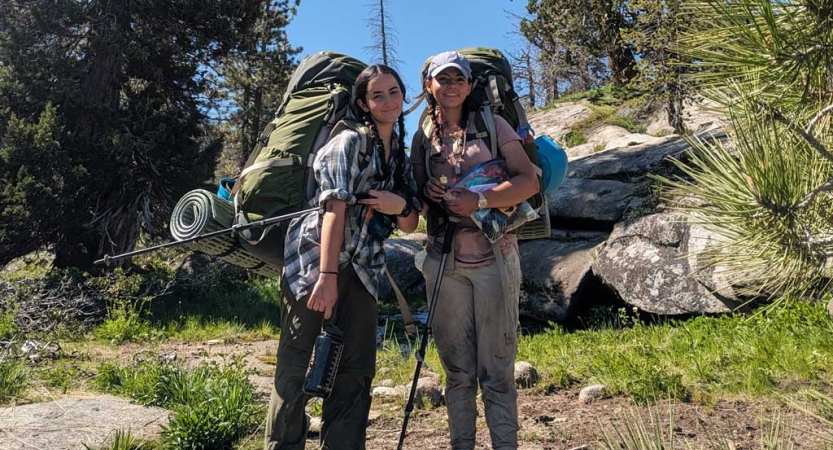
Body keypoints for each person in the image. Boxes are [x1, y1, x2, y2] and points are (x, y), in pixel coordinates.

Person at [265, 64, 421, 450]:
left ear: (404, 97)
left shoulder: (397, 155)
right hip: (314, 268)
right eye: (377, 95)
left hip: (365, 272)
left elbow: (409, 224)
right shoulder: (347, 143)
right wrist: (327, 276)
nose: (388, 101)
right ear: (363, 103)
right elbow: (333, 211)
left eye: (394, 93)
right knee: (297, 369)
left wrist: (398, 202)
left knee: (355, 373)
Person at [410, 51, 538, 450]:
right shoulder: (422, 134)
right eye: (442, 79)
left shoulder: (492, 124)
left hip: (495, 258)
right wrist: (429, 193)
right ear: (429, 86)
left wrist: (479, 202)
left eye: (458, 80)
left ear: (469, 86)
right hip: (443, 261)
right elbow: (416, 201)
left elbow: (529, 182)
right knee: (458, 371)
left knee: (497, 370)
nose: (451, 86)